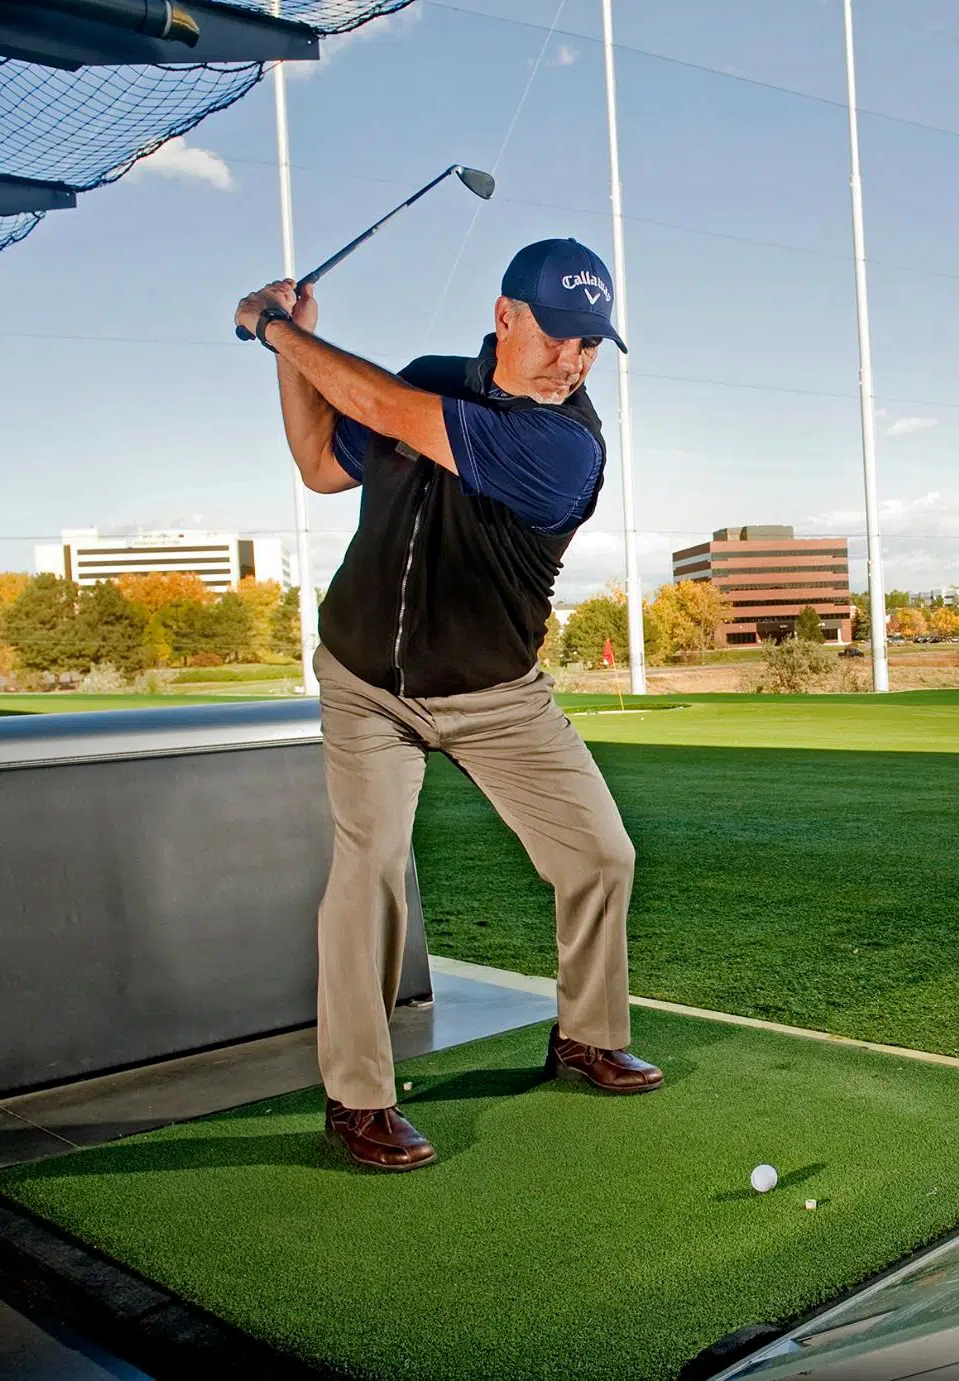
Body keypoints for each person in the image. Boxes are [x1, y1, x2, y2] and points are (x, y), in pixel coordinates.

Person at [233, 238, 661, 1174]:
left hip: (495, 695)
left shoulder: (565, 446)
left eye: (591, 346)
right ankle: (358, 1099)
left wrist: (272, 328)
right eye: (557, 338)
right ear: (506, 316)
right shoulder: (431, 381)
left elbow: (383, 405)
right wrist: (292, 351)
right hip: (366, 684)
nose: (572, 362)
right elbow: (318, 461)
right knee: (371, 868)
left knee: (600, 854)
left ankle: (587, 1034)